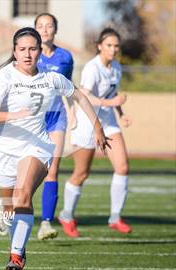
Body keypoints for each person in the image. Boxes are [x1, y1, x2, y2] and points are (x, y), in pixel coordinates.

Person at [0, 27, 109, 270]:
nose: (28, 54)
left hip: (37, 146)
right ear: (14, 52)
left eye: (32, 49)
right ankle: (6, 210)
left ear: (40, 51)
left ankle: (17, 255)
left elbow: (80, 96)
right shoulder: (3, 77)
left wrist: (97, 127)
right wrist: (14, 115)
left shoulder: (52, 78)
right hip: (4, 149)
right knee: (11, 205)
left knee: (23, 197)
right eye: (22, 49)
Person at [58, 27, 131, 238]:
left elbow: (113, 93)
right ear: (100, 46)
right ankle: (66, 215)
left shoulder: (116, 67)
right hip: (87, 122)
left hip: (108, 121)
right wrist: (112, 102)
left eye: (116, 45)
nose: (113, 49)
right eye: (109, 45)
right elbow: (85, 97)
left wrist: (121, 112)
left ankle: (115, 217)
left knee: (123, 167)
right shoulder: (92, 68)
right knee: (81, 173)